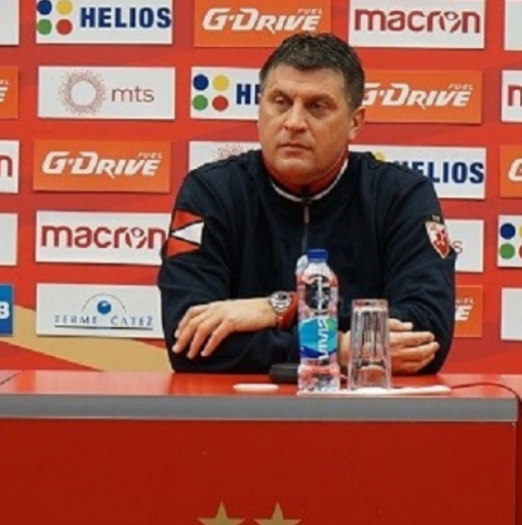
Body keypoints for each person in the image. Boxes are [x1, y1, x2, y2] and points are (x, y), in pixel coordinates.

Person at [158, 32, 456, 375]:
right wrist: (338, 348)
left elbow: (426, 333)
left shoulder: (400, 195)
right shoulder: (211, 193)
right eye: (281, 102)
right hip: (243, 409)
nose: (294, 122)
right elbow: (188, 341)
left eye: (317, 106)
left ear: (355, 122)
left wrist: (275, 310)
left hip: (362, 409)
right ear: (259, 107)